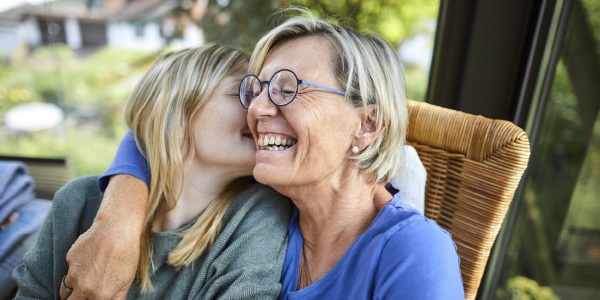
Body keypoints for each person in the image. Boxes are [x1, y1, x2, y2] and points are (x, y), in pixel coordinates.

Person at [58, 10, 464, 300]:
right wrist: (120, 217)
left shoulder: (414, 252)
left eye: (288, 88)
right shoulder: (266, 207)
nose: (257, 110)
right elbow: (157, 126)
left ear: (368, 125)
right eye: (256, 90)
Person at [12, 44, 291, 299]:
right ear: (174, 111)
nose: (260, 110)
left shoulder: (258, 215)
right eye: (243, 93)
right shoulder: (76, 203)